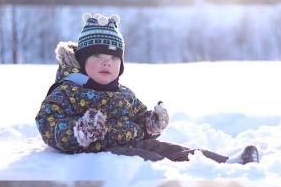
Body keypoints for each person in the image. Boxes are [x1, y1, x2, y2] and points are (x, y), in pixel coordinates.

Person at [35, 13, 259, 165]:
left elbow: (140, 117)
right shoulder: (68, 90)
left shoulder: (125, 94)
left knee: (175, 151)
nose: (107, 63)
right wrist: (80, 131)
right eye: (97, 56)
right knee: (150, 161)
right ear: (82, 61)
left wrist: (151, 123)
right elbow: (47, 122)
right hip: (103, 152)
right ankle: (183, 175)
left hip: (136, 141)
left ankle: (227, 163)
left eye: (113, 58)